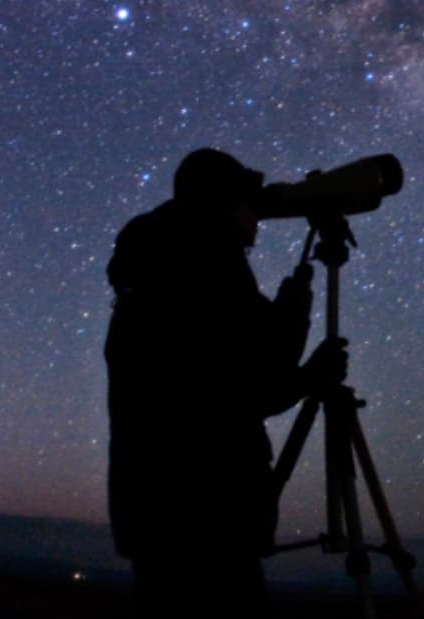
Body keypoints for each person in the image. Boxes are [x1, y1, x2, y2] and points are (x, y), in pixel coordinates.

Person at [104, 148, 347, 615]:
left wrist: (292, 302)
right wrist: (309, 363)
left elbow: (221, 371)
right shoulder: (209, 269)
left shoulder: (156, 265)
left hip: (153, 514)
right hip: (210, 517)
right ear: (219, 205)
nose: (257, 219)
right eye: (248, 205)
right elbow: (253, 384)